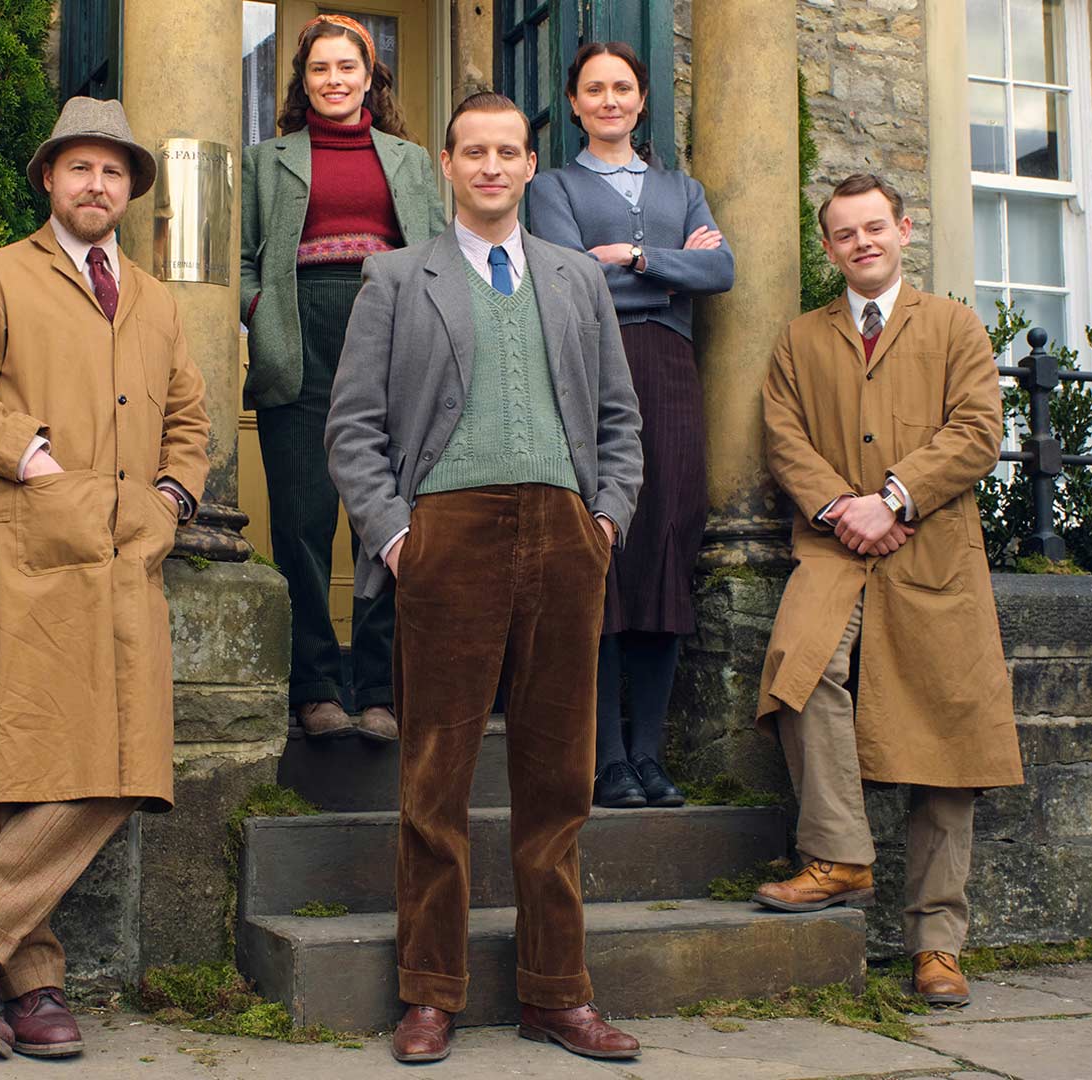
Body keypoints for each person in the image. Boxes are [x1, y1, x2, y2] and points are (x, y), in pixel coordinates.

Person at [326, 91, 644, 1064]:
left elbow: (619, 420)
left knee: (558, 780)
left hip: (562, 536)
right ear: (450, 165)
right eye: (476, 151)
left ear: (530, 166)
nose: (494, 166)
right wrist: (395, 537)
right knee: (435, 779)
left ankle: (558, 992)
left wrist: (605, 522)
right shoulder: (393, 277)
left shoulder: (574, 280)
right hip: (446, 537)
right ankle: (429, 993)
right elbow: (353, 428)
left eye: (510, 151)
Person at [0, 96, 210, 1059]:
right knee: (27, 756)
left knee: (128, 757)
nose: (97, 185)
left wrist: (172, 500)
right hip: (30, 549)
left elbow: (191, 424)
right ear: (49, 178)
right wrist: (31, 459)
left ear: (130, 193)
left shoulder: (157, 300)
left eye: (114, 173)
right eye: (81, 168)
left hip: (130, 555)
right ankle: (31, 985)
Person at [753, 173, 1023, 1008]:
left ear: (904, 230)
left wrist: (897, 497)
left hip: (933, 548)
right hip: (836, 547)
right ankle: (841, 854)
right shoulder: (800, 339)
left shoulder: (954, 325)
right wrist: (845, 508)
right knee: (797, 673)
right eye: (845, 233)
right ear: (828, 247)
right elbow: (782, 435)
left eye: (876, 227)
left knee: (949, 737)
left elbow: (978, 431)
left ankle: (938, 944)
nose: (863, 242)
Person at [527, 42, 735, 810]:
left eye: (623, 88)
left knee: (665, 547)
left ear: (642, 101)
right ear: (575, 105)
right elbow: (571, 275)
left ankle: (649, 754)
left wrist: (639, 259)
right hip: (593, 366)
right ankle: (606, 758)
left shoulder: (684, 188)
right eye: (594, 89)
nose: (609, 100)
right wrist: (671, 263)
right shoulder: (552, 186)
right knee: (600, 547)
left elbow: (722, 272)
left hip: (672, 372)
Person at [241, 14, 446, 742]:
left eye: (347, 67)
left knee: (385, 521)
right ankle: (316, 686)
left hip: (391, 340)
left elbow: (439, 255)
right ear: (303, 80)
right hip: (298, 340)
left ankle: (381, 689)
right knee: (302, 521)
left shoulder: (412, 160)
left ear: (370, 77)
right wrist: (260, 310)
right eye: (320, 68)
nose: (334, 80)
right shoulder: (267, 161)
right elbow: (239, 260)